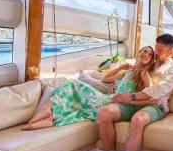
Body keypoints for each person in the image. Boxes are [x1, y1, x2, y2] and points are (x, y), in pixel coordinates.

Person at [21, 46, 157, 130]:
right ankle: (49, 117)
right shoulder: (128, 72)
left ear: (151, 61)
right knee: (72, 95)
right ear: (139, 53)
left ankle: (46, 111)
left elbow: (151, 93)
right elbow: (106, 79)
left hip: (113, 103)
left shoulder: (143, 73)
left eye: (150, 55)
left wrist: (130, 99)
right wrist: (121, 66)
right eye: (144, 51)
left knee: (72, 84)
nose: (146, 54)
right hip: (108, 99)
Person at [97, 33, 173, 151]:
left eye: (160, 50)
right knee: (104, 112)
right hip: (134, 102)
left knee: (138, 120)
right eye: (156, 48)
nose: (156, 52)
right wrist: (118, 85)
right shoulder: (150, 61)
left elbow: (155, 91)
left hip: (156, 105)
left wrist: (130, 97)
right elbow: (132, 74)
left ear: (171, 52)